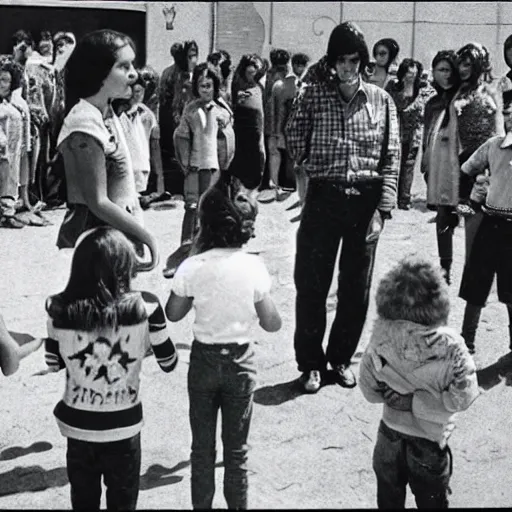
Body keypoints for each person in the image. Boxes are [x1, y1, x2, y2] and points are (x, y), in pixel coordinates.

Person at [285, 21, 400, 393]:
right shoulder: (313, 95)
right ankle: (311, 364)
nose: (348, 68)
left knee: (355, 289)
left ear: (363, 62)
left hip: (364, 203)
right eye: (341, 60)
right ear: (331, 62)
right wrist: (315, 171)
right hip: (324, 198)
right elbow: (293, 140)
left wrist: (382, 208)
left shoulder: (381, 101)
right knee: (312, 284)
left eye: (354, 60)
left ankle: (339, 359)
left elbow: (392, 155)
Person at [165, 172, 281, 510]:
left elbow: (174, 313)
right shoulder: (254, 266)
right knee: (236, 452)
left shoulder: (192, 266)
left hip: (202, 362)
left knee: (201, 451)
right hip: (240, 364)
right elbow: (272, 323)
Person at [44, 226, 178, 512]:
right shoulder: (148, 306)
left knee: (83, 500)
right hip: (124, 425)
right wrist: (143, 348)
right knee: (123, 501)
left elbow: (53, 363)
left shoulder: (57, 307)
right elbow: (170, 363)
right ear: (126, 266)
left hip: (78, 425)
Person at [359, 256, 480, 508]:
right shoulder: (452, 346)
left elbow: (369, 390)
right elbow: (465, 396)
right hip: (429, 442)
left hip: (388, 436)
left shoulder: (379, 338)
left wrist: (394, 398)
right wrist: (422, 402)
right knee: (432, 502)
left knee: (388, 500)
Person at [55, 29, 158, 271]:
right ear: (98, 73)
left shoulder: (105, 113)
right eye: (123, 66)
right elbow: (98, 201)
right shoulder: (84, 122)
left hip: (114, 232)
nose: (133, 74)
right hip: (95, 236)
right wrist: (148, 238)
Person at [163, 62, 235, 279]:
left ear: (216, 86)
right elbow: (181, 135)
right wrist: (185, 162)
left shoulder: (223, 110)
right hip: (195, 166)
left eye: (209, 85)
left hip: (213, 167)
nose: (206, 90)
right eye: (202, 86)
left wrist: (226, 133)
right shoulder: (191, 109)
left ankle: (211, 253)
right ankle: (186, 250)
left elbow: (228, 139)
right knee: (191, 207)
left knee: (211, 208)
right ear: (196, 87)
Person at [458, 91, 512, 355]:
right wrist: (471, 198)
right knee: (476, 287)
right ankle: (466, 342)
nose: (509, 118)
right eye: (506, 113)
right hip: (490, 224)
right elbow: (466, 168)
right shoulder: (493, 146)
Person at [421, 50, 461, 285]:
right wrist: (426, 166)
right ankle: (446, 267)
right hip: (439, 170)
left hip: (462, 169)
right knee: (443, 217)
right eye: (441, 70)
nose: (446, 75)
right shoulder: (433, 103)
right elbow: (428, 137)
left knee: (467, 215)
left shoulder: (463, 98)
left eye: (450, 70)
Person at [385, 58, 435, 209]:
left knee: (408, 164)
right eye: (408, 72)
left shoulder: (424, 89)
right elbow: (389, 103)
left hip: (414, 132)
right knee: (393, 163)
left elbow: (430, 102)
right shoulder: (393, 87)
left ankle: (404, 199)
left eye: (414, 73)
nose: (411, 76)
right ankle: (390, 198)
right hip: (396, 129)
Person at [117, 69, 165, 202]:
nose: (133, 96)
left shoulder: (147, 115)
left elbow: (155, 149)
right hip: (121, 171)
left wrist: (160, 186)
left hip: (141, 172)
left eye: (138, 92)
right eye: (130, 91)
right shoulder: (116, 114)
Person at [159, 40, 198, 194]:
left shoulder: (170, 72)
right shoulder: (178, 75)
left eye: (195, 55)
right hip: (177, 123)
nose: (194, 60)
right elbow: (175, 103)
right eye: (190, 56)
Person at [229, 54, 267, 191]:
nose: (255, 72)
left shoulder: (258, 87)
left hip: (256, 126)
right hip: (244, 128)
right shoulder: (239, 86)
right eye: (252, 69)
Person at [259, 48, 291, 201]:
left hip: (270, 120)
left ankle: (274, 183)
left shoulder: (267, 76)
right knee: (275, 152)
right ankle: (275, 185)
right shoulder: (282, 79)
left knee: (273, 152)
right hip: (278, 120)